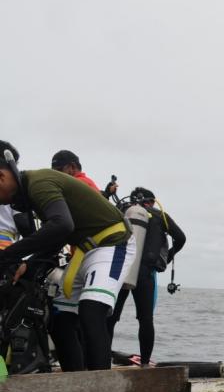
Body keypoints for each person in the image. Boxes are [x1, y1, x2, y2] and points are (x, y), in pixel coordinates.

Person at [0, 151, 135, 371]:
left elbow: (62, 225)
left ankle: (100, 389)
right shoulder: (33, 191)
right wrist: (29, 264)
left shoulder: (39, 182)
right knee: (60, 319)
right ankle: (76, 381)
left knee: (91, 310)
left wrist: (9, 254)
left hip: (113, 242)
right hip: (85, 250)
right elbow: (58, 236)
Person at [108, 187, 186, 365]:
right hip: (145, 272)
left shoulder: (123, 212)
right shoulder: (159, 215)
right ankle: (144, 363)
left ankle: (102, 359)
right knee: (145, 320)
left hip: (122, 269)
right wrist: (167, 257)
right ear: (151, 202)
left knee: (111, 317)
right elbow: (181, 238)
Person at [51, 149, 118, 198]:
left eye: (59, 170)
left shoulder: (77, 184)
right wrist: (106, 193)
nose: (56, 174)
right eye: (53, 171)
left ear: (72, 167)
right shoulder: (86, 182)